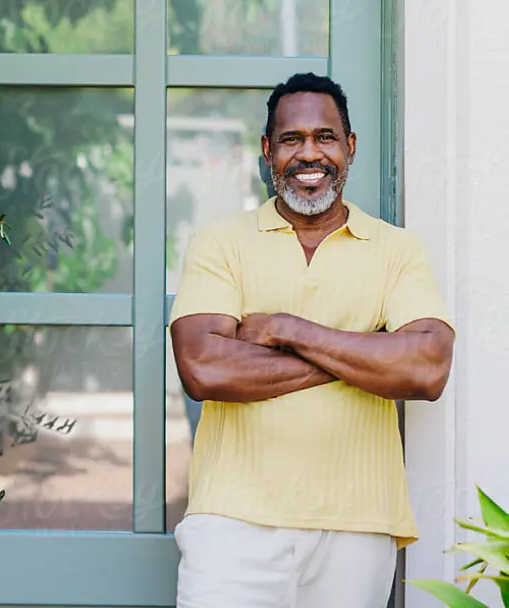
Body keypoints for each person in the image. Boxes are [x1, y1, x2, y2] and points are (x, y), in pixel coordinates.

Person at [169, 72, 455, 607]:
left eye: (325, 137)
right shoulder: (221, 242)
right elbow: (204, 368)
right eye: (291, 139)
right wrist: (366, 352)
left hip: (359, 524)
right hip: (232, 523)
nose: (309, 154)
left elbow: (427, 369)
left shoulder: (397, 250)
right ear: (267, 151)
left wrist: (287, 330)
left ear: (350, 147)